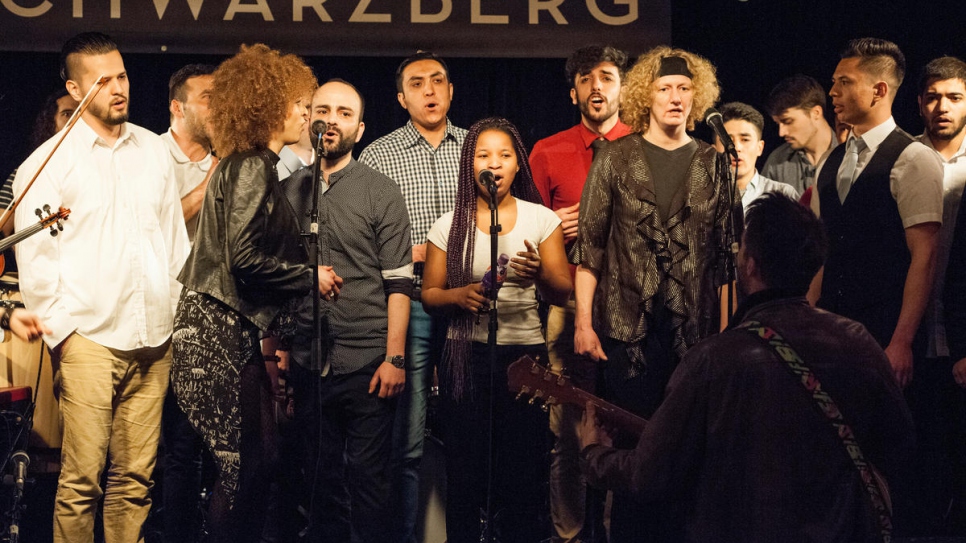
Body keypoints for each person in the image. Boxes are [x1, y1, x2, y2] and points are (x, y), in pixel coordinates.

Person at [579, 192, 916, 542]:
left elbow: (648, 474)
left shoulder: (713, 359)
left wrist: (593, 453)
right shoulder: (856, 339)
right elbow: (900, 445)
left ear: (750, 264)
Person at [12, 32, 191, 542]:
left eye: (123, 76)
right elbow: (37, 259)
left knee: (135, 480)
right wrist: (64, 334)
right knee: (82, 480)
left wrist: (173, 316)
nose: (118, 88)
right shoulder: (50, 163)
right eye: (103, 80)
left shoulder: (153, 152)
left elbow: (173, 242)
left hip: (155, 338)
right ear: (75, 87)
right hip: (89, 337)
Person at [570, 45, 738, 540]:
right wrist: (583, 322)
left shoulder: (713, 163)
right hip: (628, 332)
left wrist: (726, 335)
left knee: (691, 458)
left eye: (685, 88)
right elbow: (591, 249)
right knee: (633, 458)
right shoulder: (615, 159)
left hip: (697, 334)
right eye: (665, 88)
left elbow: (728, 258)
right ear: (646, 95)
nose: (676, 97)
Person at [170, 43, 322, 543]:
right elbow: (243, 259)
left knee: (259, 462)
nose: (306, 112)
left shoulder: (250, 166)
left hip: (227, 326)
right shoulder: (252, 165)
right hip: (213, 328)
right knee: (244, 468)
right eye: (298, 103)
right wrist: (310, 276)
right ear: (267, 106)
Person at [421, 117, 571, 543]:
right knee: (465, 470)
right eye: (484, 155)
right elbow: (429, 293)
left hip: (524, 356)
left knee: (523, 470)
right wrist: (458, 296)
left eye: (504, 155)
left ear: (518, 164)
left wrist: (540, 273)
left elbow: (562, 291)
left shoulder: (541, 219)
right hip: (464, 357)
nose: (495, 163)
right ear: (470, 164)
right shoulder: (449, 223)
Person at [278, 78, 412, 542]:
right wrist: (278, 351)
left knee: (370, 484)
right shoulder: (287, 190)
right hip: (306, 360)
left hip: (368, 361)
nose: (330, 120)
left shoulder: (382, 191)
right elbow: (272, 276)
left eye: (343, 113)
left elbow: (399, 283)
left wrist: (395, 358)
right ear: (307, 117)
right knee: (316, 482)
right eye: (323, 109)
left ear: (360, 128)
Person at [357, 50, 467, 543]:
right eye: (418, 83)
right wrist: (415, 249)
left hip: (472, 301)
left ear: (450, 91)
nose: (430, 90)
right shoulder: (380, 154)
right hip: (414, 301)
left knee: (473, 433)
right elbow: (366, 235)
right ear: (402, 98)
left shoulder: (475, 147)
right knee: (407, 439)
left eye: (438, 80)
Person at [528, 43, 633, 543]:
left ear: (624, 88)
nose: (598, 87)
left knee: (626, 420)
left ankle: (616, 529)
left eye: (607, 76)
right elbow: (525, 231)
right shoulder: (548, 149)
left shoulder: (646, 145)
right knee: (566, 429)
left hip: (634, 305)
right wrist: (554, 227)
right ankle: (568, 533)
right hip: (567, 304)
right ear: (574, 93)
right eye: (587, 79)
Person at [158, 62, 216, 543]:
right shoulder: (149, 157)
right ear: (178, 107)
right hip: (156, 317)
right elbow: (155, 229)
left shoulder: (229, 157)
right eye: (207, 97)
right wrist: (212, 181)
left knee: (192, 444)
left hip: (208, 322)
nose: (218, 107)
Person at [916, 56, 966, 533]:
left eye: (953, 97)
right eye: (933, 97)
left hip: (961, 332)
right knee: (921, 454)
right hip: (914, 329)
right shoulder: (909, 156)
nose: (942, 107)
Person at [1, 88, 79, 241]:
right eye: (67, 114)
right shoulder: (28, 171)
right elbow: (2, 228)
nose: (76, 121)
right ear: (51, 123)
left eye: (82, 114)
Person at [713, 101, 798, 211]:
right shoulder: (696, 198)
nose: (736, 147)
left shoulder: (783, 195)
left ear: (760, 148)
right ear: (713, 151)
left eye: (745, 140)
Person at [761, 74, 838, 193]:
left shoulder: (851, 155)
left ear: (816, 113)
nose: (781, 133)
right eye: (778, 124)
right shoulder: (777, 161)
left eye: (788, 121)